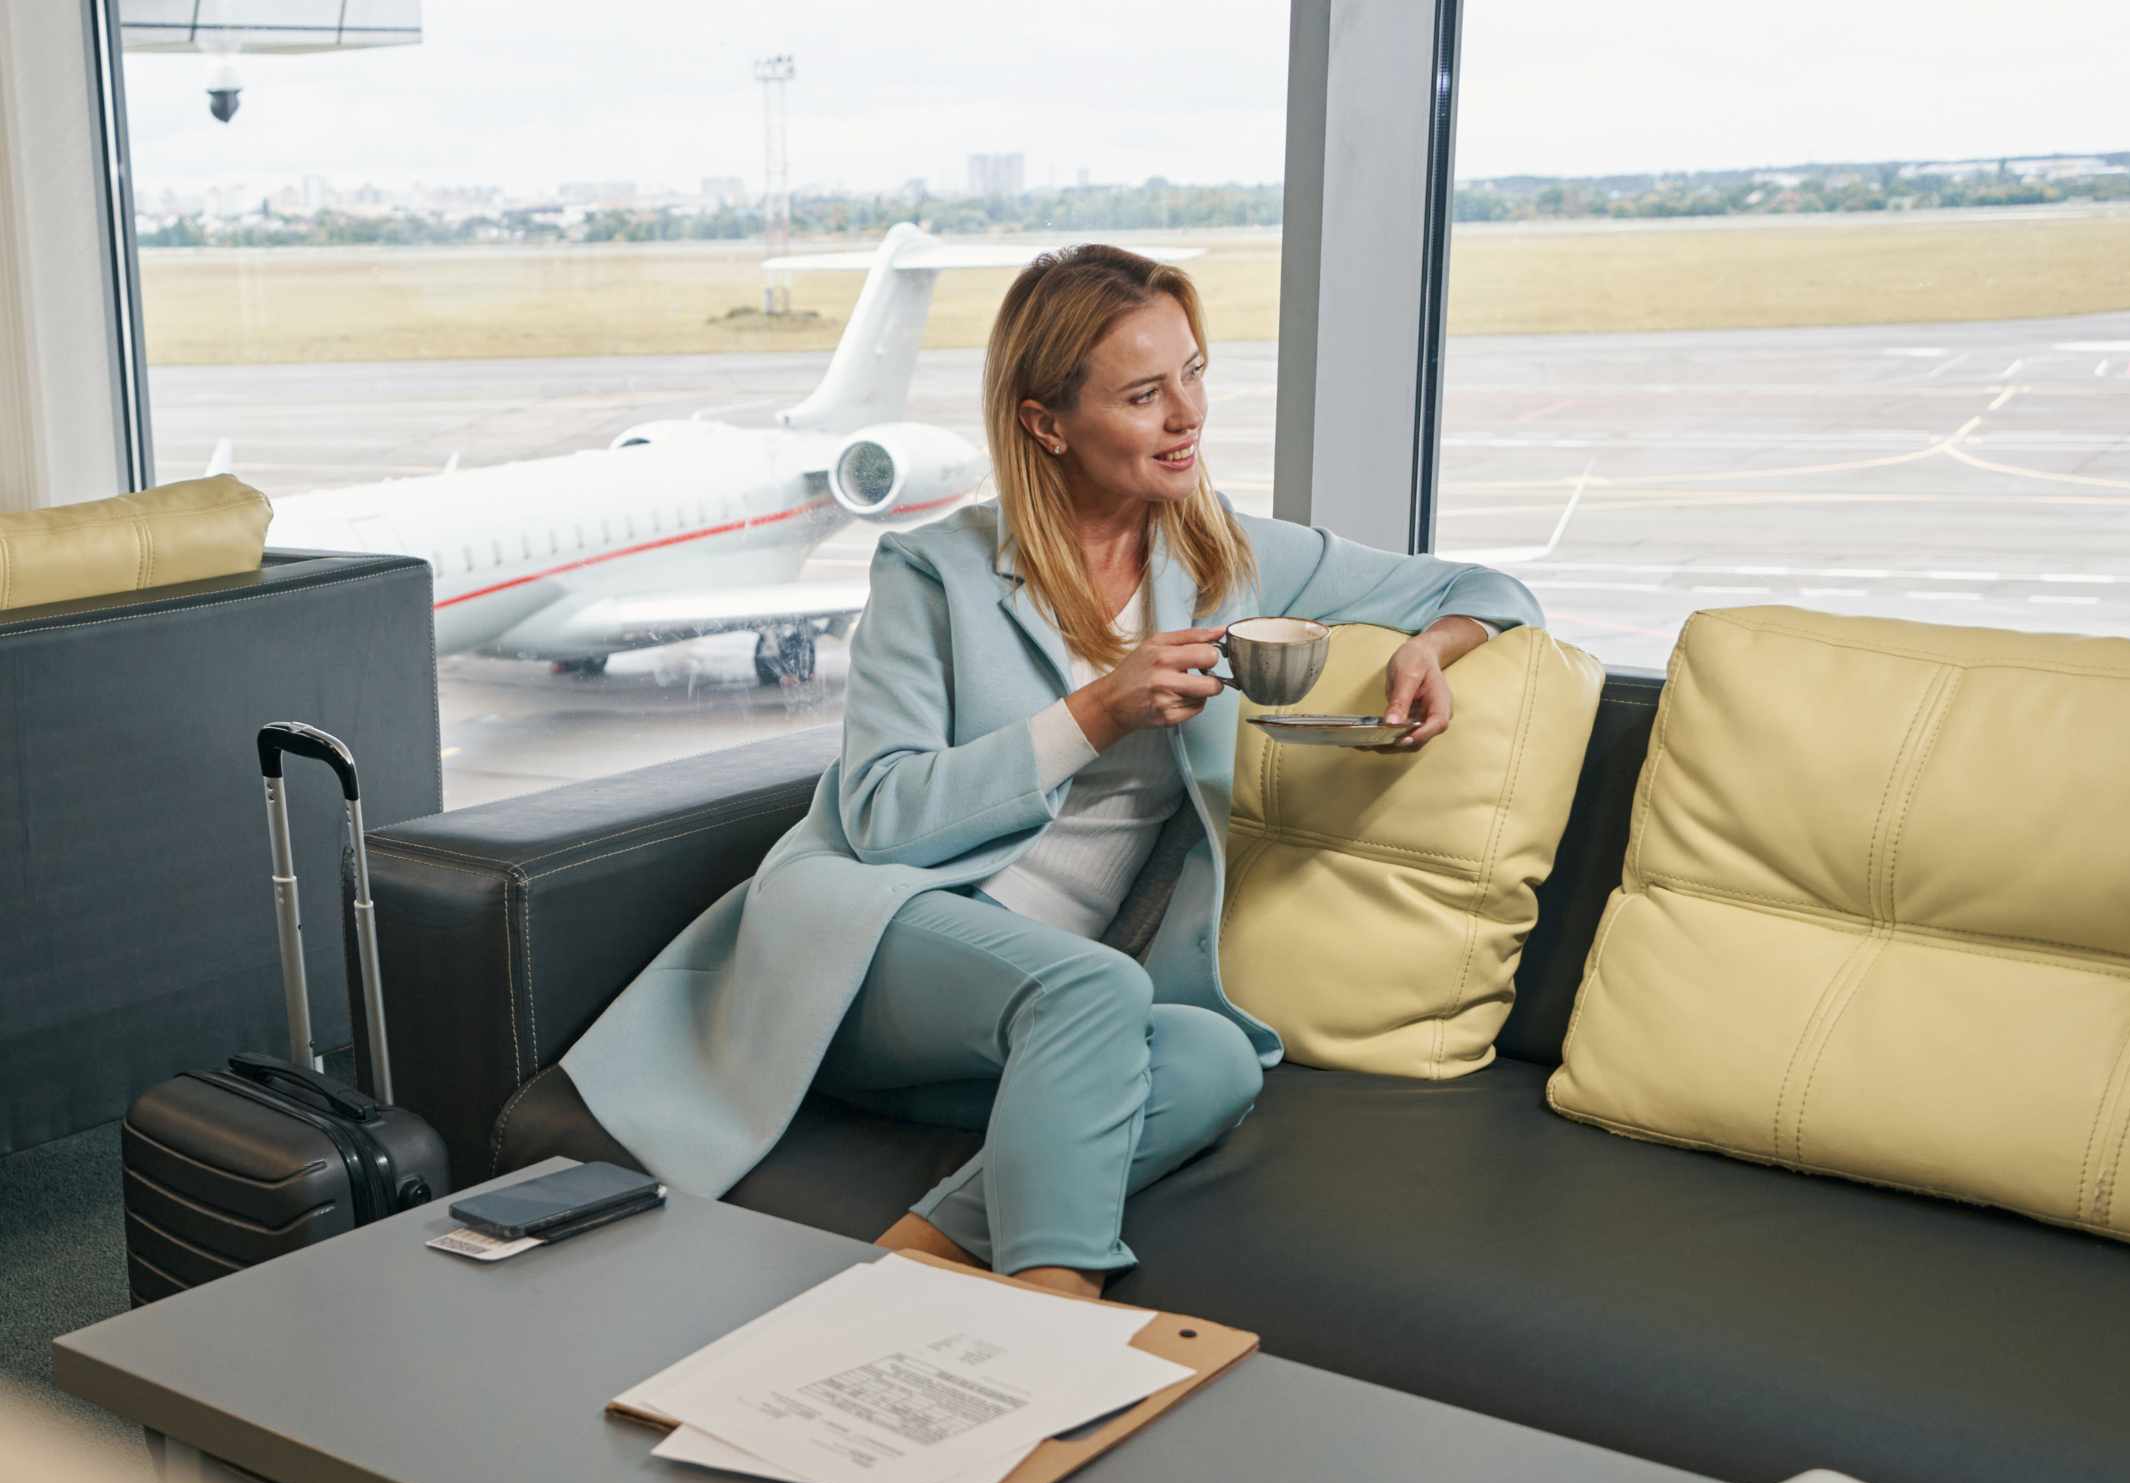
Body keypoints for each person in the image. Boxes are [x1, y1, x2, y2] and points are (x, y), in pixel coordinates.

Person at [556, 244, 1542, 1299]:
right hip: (876, 942)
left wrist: (1431, 647)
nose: (1187, 417)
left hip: (1039, 1006)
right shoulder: (931, 573)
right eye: (1144, 393)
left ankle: (926, 1248)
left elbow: (1487, 583)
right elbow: (883, 816)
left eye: (1195, 374)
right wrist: (1094, 713)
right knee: (1092, 989)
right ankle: (1054, 1315)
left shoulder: (1230, 562)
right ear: (1046, 422)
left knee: (1212, 1057)